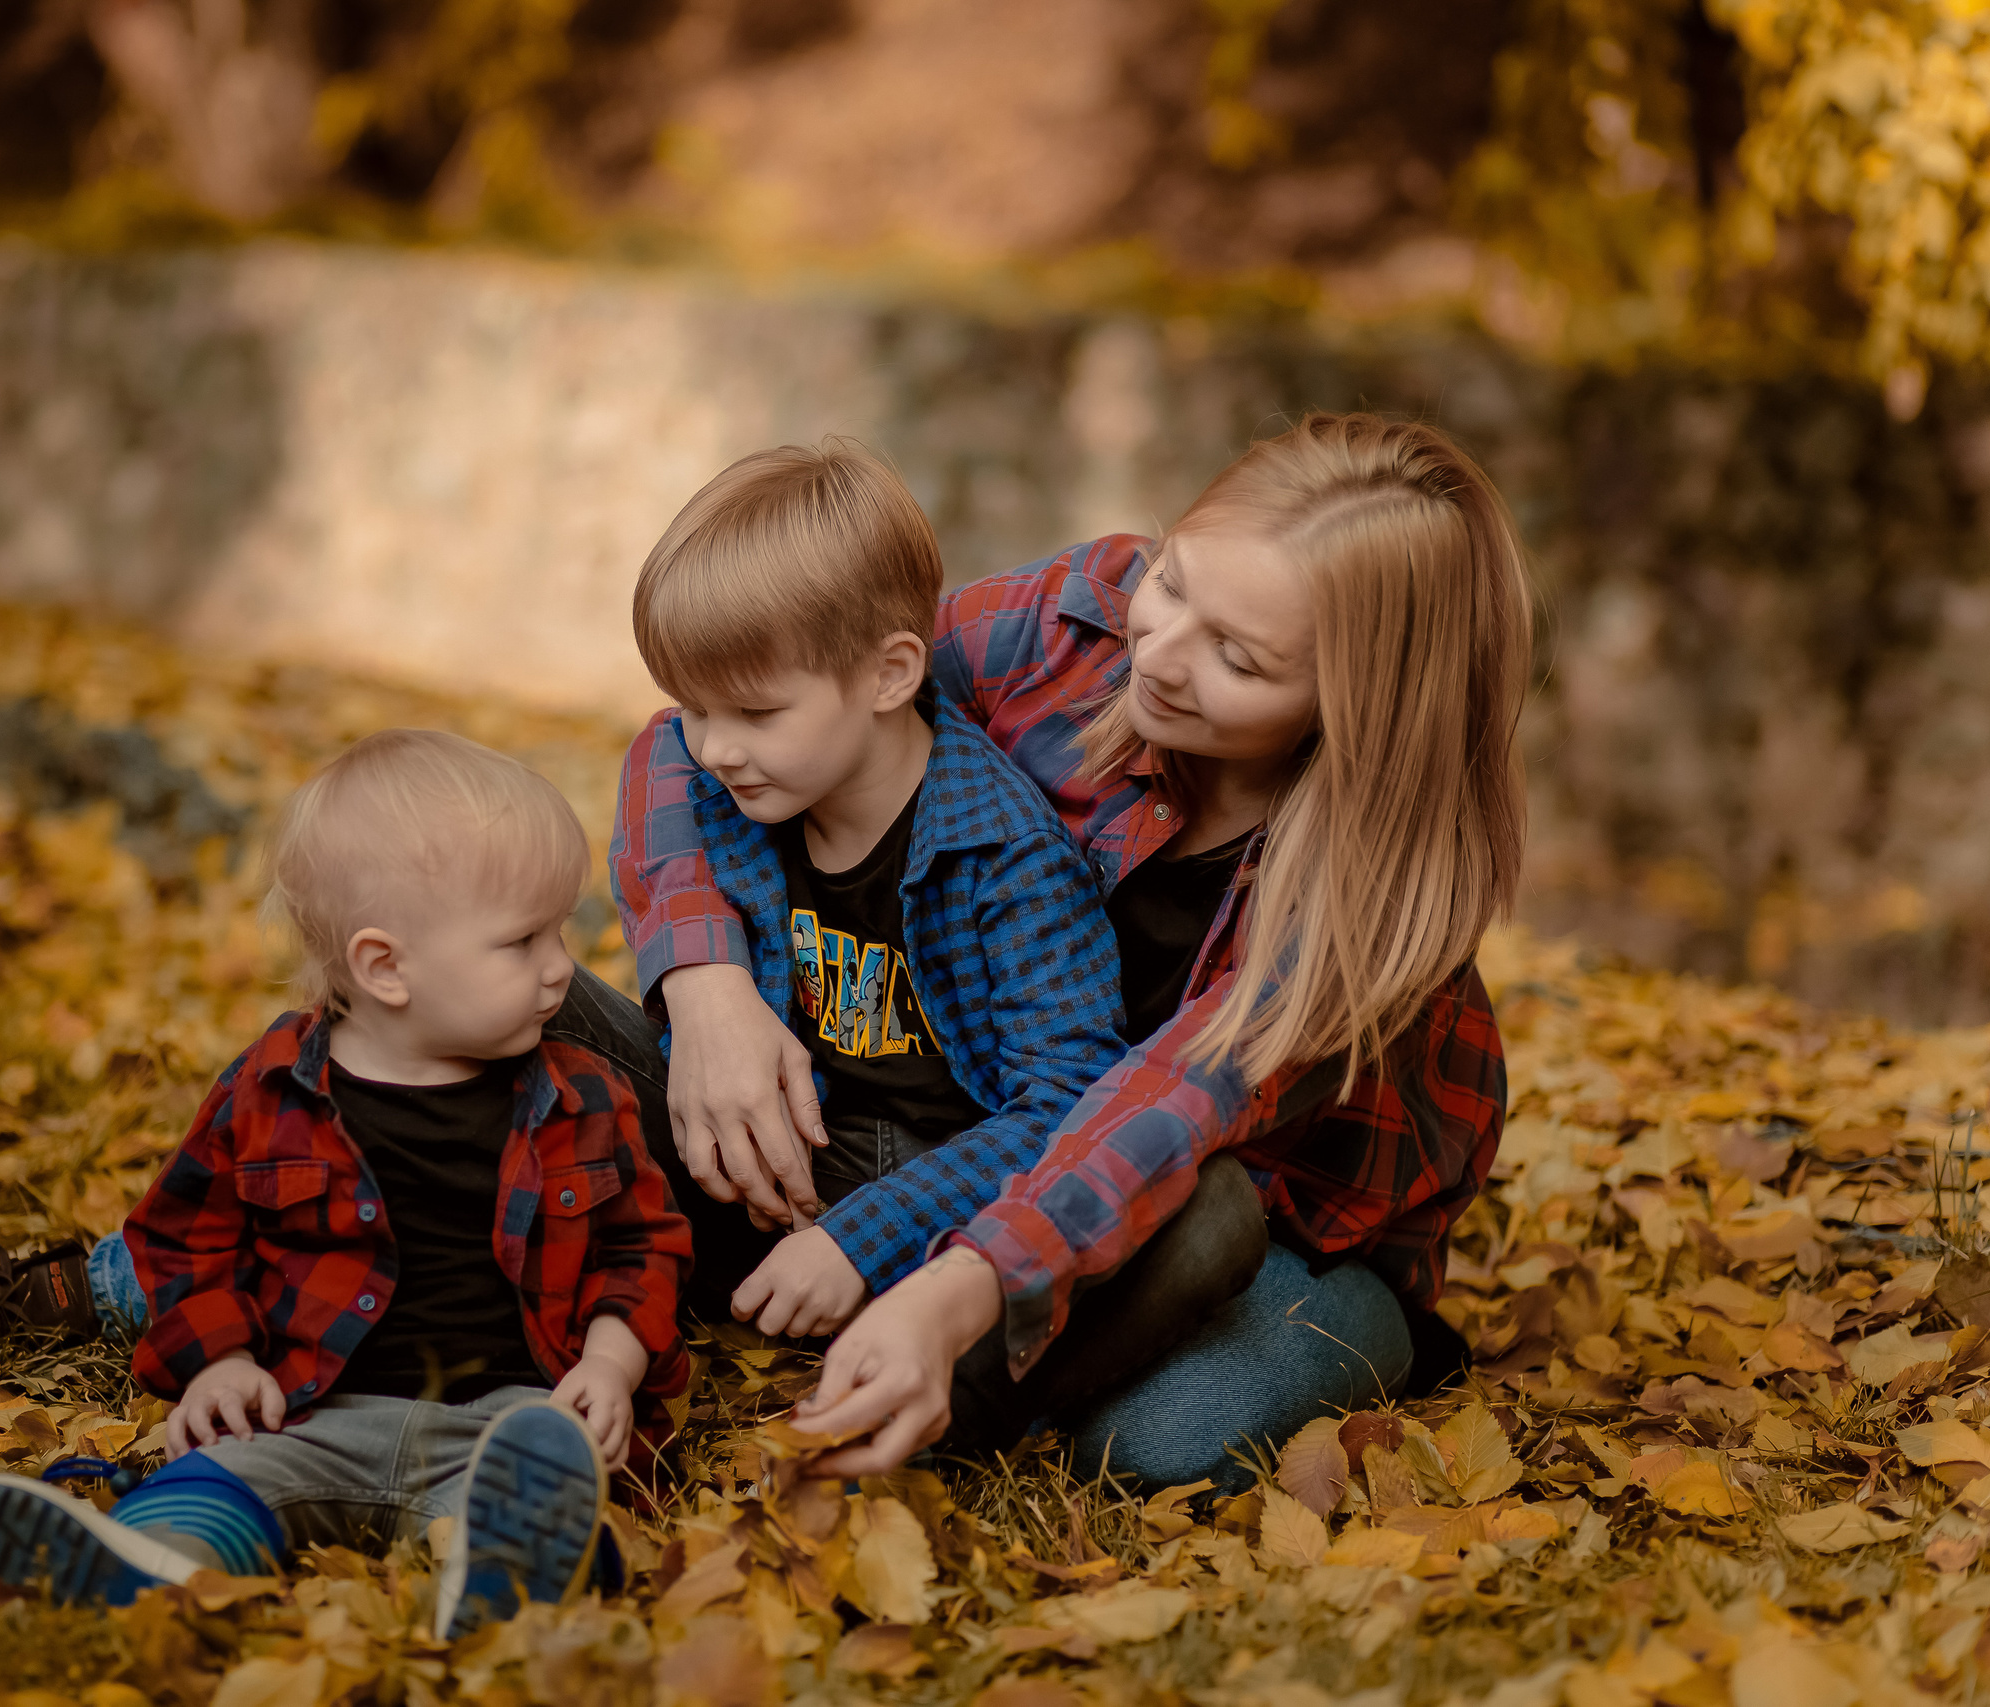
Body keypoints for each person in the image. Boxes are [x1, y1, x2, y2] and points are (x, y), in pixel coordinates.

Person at [614, 413, 1528, 1488]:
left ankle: (1358, 1342)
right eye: (1175, 582)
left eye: (1238, 657)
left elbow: (1161, 1113)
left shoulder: (1363, 902)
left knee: (1158, 1427)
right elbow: (734, 710)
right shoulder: (1064, 630)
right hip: (1000, 1123)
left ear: (1357, 708)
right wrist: (707, 984)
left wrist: (955, 1283)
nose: (1159, 656)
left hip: (1257, 1210)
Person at [0, 730, 693, 1634]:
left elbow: (642, 1242)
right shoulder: (271, 1089)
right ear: (385, 967)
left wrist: (612, 1363)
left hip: (509, 1418)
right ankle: (149, 1559)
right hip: (309, 1407)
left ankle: (517, 1571)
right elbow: (182, 1237)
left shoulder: (584, 1095)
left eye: (560, 930)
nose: (561, 966)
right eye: (522, 939)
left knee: (550, 1478)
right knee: (224, 1473)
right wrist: (219, 1363)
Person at [573, 439, 1260, 1352]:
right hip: (767, 1135)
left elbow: (1062, 1102)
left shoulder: (1009, 858)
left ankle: (822, 1305)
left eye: (753, 714)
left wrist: (861, 1236)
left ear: (892, 674)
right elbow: (661, 761)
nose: (713, 748)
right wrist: (706, 990)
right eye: (695, 709)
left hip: (932, 1187)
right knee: (528, 998)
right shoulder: (739, 778)